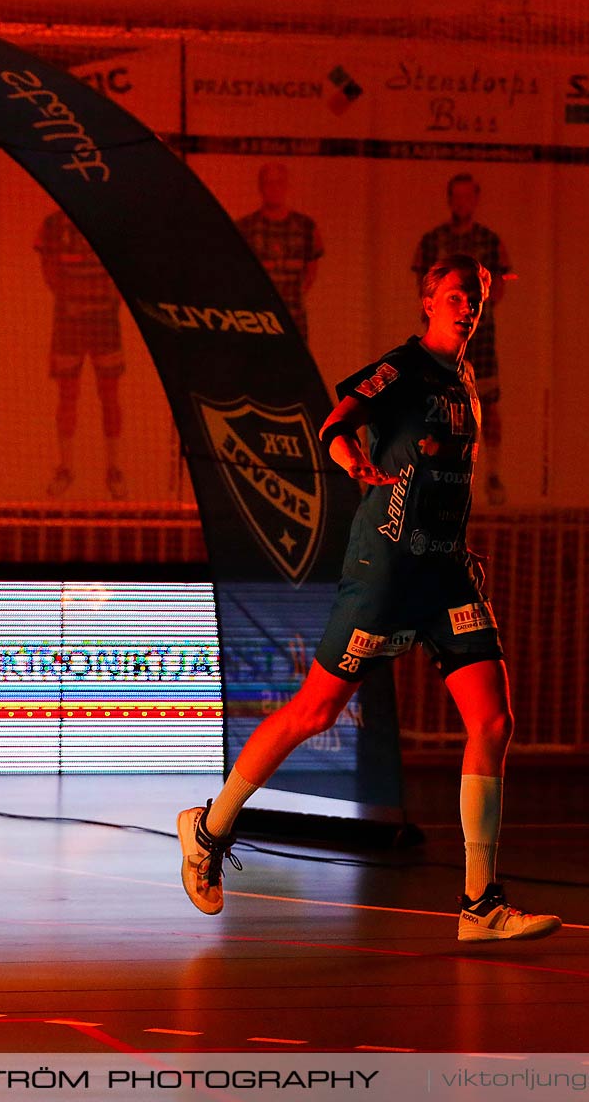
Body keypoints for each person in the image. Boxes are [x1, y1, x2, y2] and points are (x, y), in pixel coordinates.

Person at [176, 254, 560, 942]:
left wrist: (454, 539)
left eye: (474, 297)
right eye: (452, 296)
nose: (465, 306)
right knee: (315, 712)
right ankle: (208, 828)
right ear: (427, 302)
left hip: (445, 572)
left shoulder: (466, 379)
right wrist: (352, 457)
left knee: (494, 722)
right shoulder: (405, 369)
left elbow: (441, 475)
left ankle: (480, 904)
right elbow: (336, 421)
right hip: (384, 568)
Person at [411, 174, 511, 505]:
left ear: (476, 199)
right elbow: (421, 283)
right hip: (442, 346)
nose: (462, 203)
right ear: (450, 199)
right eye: (456, 196)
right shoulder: (433, 240)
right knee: (437, 407)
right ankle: (434, 478)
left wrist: (477, 301)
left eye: (468, 197)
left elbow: (501, 285)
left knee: (489, 405)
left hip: (482, 344)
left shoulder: (490, 241)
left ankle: (493, 474)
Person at [35, 210, 127, 499]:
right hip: (68, 322)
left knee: (110, 395)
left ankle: (114, 469)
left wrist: (110, 299)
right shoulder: (51, 224)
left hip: (104, 322)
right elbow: (47, 267)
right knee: (67, 394)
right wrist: (69, 297)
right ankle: (65, 468)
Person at [235, 163, 324, 341]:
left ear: (286, 186)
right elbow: (237, 272)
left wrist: (291, 296)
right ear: (260, 187)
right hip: (256, 319)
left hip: (294, 318)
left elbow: (311, 271)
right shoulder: (245, 227)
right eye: (268, 183)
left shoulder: (305, 226)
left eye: (278, 183)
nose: (273, 188)